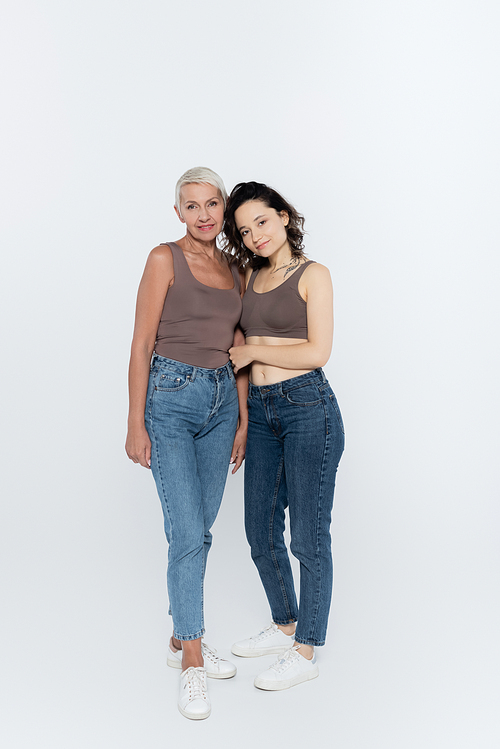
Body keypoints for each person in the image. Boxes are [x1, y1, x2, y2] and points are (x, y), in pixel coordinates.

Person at [125, 167, 247, 720]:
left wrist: (242, 419)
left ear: (223, 209)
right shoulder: (162, 258)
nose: (203, 214)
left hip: (222, 403)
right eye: (191, 205)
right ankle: (193, 661)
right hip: (170, 400)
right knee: (186, 533)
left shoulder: (234, 266)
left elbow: (239, 344)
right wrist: (135, 420)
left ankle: (181, 636)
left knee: (200, 529)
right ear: (178, 212)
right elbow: (142, 340)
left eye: (212, 204)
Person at [223, 181, 345, 691]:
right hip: (265, 409)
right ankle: (284, 623)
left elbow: (318, 352)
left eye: (262, 222)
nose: (255, 237)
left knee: (309, 536)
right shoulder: (248, 276)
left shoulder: (313, 274)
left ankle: (306, 647)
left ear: (284, 216)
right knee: (259, 530)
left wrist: (254, 352)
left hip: (308, 407)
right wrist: (244, 418)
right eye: (245, 230)